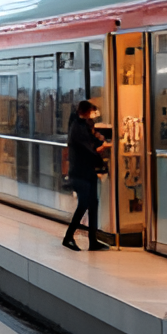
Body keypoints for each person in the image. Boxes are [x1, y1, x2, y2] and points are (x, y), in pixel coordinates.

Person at [63, 100, 110, 252]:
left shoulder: (80, 125)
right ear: (85, 111)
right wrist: (100, 151)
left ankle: (93, 239)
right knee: (84, 204)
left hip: (86, 171)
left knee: (93, 204)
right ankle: (69, 237)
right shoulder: (77, 128)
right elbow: (87, 150)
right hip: (80, 172)